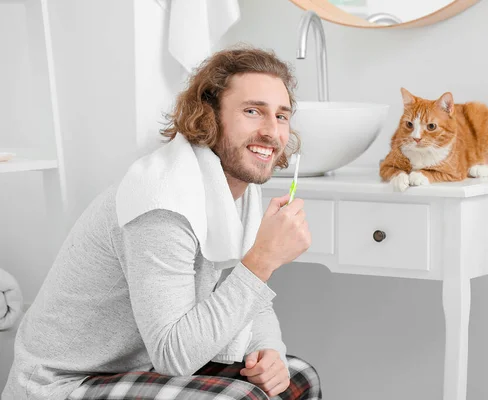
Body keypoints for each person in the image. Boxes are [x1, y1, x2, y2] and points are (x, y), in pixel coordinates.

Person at [3, 46, 322, 400]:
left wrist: (270, 350)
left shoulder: (235, 186)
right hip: (62, 382)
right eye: (252, 111)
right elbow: (175, 356)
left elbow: (248, 298)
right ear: (210, 116)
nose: (272, 132)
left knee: (297, 378)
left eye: (281, 116)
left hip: (141, 365)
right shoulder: (163, 202)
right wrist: (263, 259)